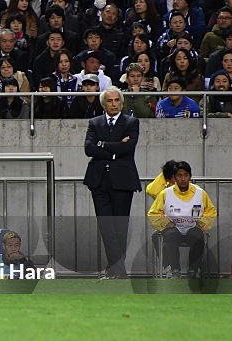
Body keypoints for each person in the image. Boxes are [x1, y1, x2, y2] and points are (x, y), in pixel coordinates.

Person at [84, 86, 142, 279]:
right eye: (110, 101)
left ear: (122, 102)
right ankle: (118, 271)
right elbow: (89, 149)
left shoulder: (131, 122)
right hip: (98, 181)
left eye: (117, 100)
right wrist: (116, 148)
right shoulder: (95, 122)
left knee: (119, 226)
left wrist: (104, 144)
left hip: (123, 181)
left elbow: (129, 147)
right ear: (103, 104)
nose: (114, 104)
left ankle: (115, 270)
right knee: (106, 226)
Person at [147, 161, 217, 278]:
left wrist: (202, 224)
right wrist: (165, 223)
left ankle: (193, 271)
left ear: (190, 176)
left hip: (192, 227)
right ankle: (174, 270)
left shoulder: (200, 193)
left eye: (186, 175)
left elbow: (211, 212)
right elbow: (153, 213)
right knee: (170, 235)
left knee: (198, 235)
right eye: (179, 175)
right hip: (173, 228)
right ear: (174, 177)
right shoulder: (165, 193)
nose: (183, 178)